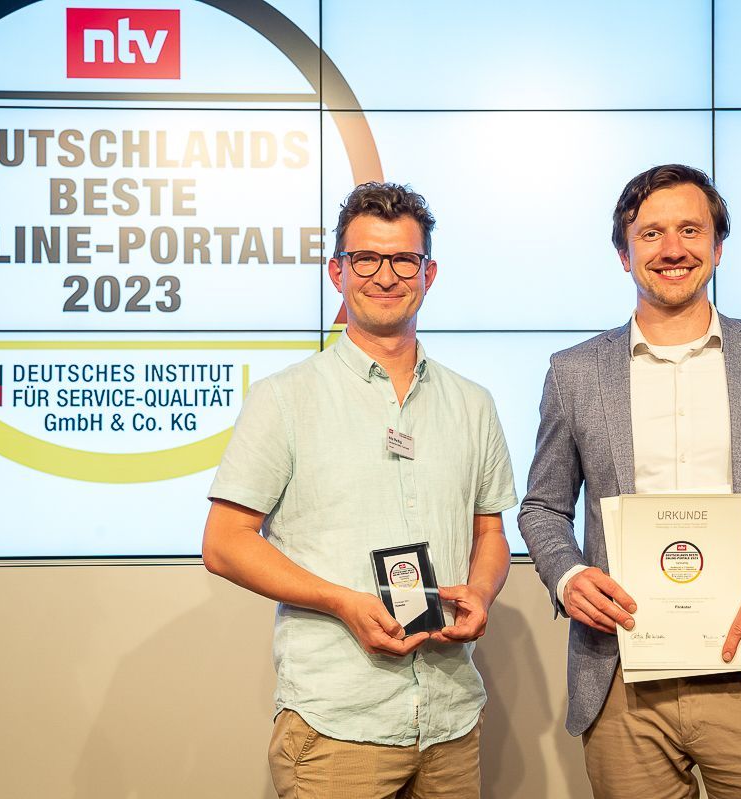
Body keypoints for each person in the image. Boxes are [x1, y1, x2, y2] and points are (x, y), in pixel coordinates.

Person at [518, 164, 741, 798]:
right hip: (624, 682)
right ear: (624, 254)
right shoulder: (573, 373)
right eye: (650, 234)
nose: (671, 249)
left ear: (717, 247)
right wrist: (568, 578)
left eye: (689, 230)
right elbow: (541, 508)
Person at [202, 182, 516, 799]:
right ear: (336, 271)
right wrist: (343, 601)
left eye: (403, 260)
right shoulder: (284, 398)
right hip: (338, 724)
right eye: (366, 259)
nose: (385, 276)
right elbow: (225, 543)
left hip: (450, 722)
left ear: (428, 273)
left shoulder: (473, 404)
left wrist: (481, 591)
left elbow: (490, 534)